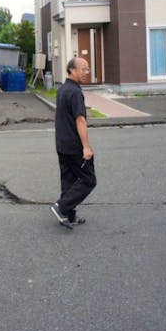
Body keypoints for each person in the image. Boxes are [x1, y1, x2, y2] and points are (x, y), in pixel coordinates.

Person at [50, 57, 96, 229]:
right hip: (74, 146)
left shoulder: (62, 89)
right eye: (83, 69)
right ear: (72, 70)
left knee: (68, 181)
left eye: (87, 69)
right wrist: (86, 147)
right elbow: (80, 120)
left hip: (61, 143)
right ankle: (60, 207)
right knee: (89, 180)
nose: (86, 72)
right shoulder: (75, 92)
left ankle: (69, 216)